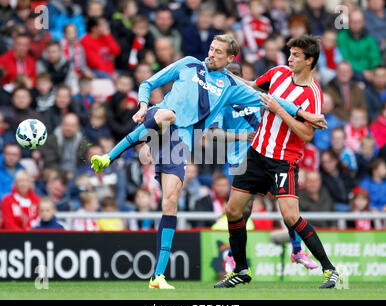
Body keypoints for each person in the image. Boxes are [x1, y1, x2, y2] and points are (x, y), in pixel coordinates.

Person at [90, 34, 326, 289]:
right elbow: (148, 83)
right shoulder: (189, 63)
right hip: (158, 118)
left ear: (230, 58)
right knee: (167, 114)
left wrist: (303, 113)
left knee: (170, 202)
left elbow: (271, 101)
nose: (211, 54)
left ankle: (157, 277)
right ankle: (109, 156)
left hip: (180, 145)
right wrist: (142, 106)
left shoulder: (229, 88)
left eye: (217, 52)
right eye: (211, 49)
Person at [213, 35, 339, 289]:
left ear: (310, 61)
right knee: (233, 210)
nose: (289, 59)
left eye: (295, 55)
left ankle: (330, 270)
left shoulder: (313, 95)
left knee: (291, 217)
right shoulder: (278, 73)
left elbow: (306, 134)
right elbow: (250, 86)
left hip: (284, 161)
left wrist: (280, 110)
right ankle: (240, 270)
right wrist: (223, 74)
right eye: (289, 53)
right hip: (257, 153)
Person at [208, 60, 318, 272]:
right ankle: (233, 255)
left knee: (285, 203)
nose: (231, 80)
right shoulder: (220, 103)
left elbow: (280, 107)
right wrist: (241, 136)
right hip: (241, 159)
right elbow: (211, 134)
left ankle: (297, 250)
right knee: (243, 209)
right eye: (228, 76)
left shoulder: (255, 96)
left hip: (269, 155)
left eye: (236, 75)